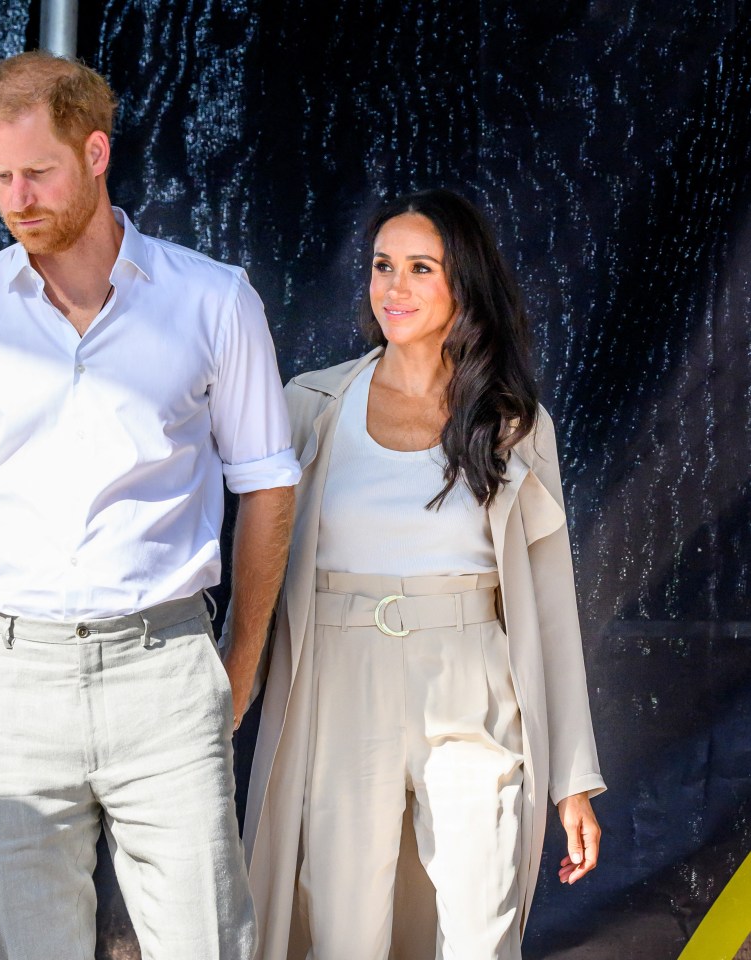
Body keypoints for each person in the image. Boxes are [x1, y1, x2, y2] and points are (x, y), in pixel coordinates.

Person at [0, 51, 299, 960]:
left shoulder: (213, 300)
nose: (17, 197)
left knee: (206, 946)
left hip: (165, 667)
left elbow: (266, 485)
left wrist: (242, 660)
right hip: (8, 674)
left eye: (38, 172)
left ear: (97, 152)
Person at [232, 188, 606, 960]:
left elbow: (549, 602)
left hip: (472, 678)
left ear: (460, 284)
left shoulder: (514, 422)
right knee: (342, 928)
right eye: (381, 266)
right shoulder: (312, 404)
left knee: (481, 922)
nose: (393, 287)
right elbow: (257, 561)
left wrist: (571, 774)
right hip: (338, 681)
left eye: (419, 268)